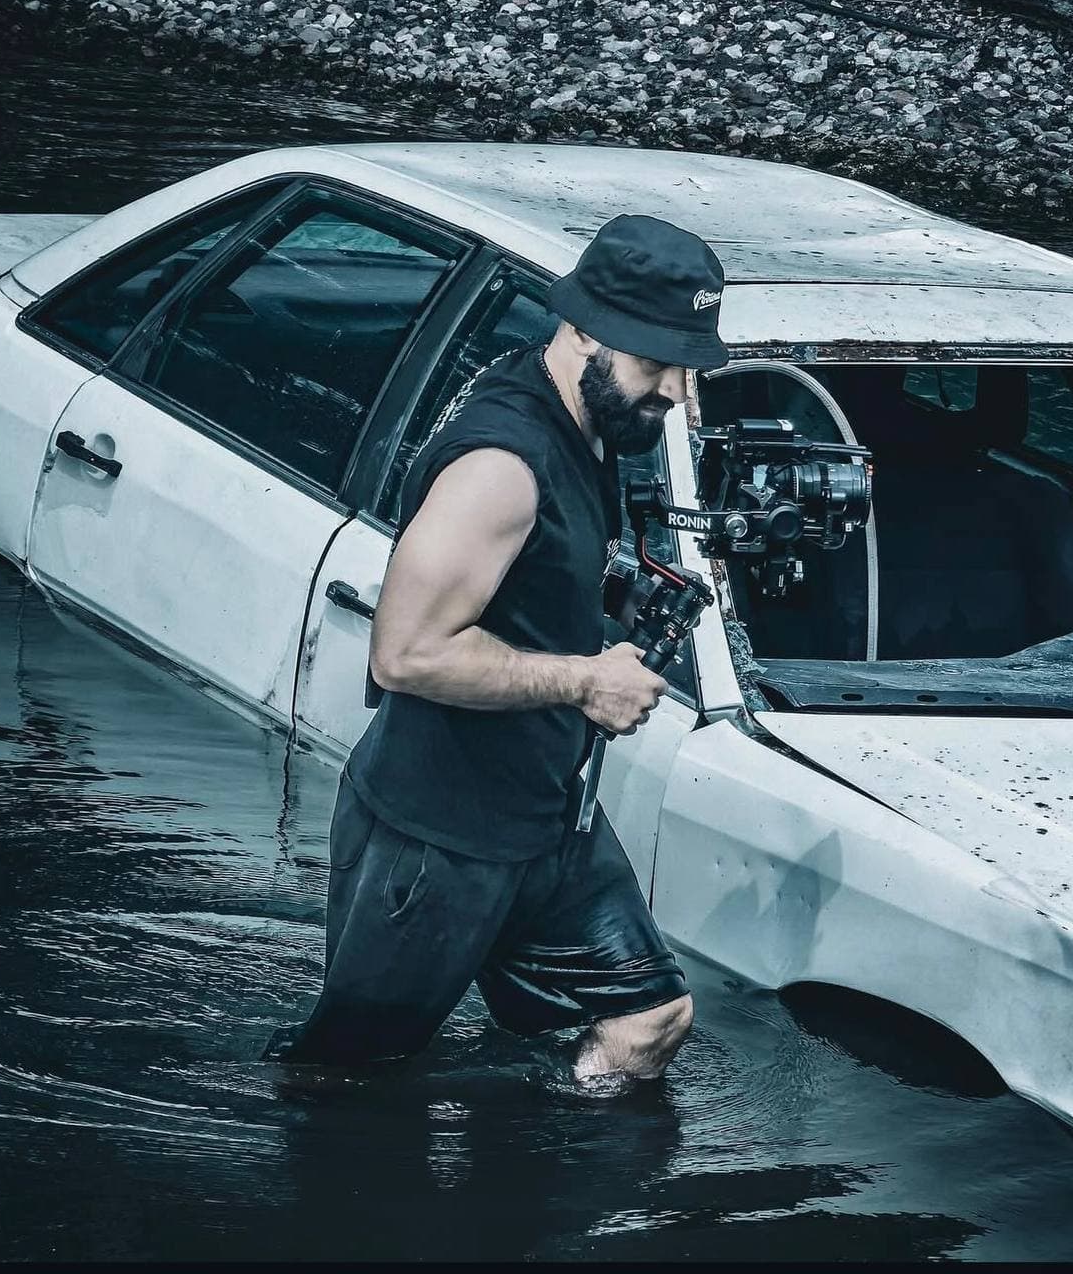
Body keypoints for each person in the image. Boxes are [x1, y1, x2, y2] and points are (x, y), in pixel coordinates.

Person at [264, 214, 729, 1082]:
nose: (671, 390)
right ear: (584, 328)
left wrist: (604, 621)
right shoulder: (501, 468)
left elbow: (532, 590)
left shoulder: (590, 415)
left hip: (544, 820)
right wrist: (585, 680)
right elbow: (403, 654)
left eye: (685, 363)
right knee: (349, 1082)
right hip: (435, 838)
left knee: (648, 1021)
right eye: (652, 363)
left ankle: (536, 1202)